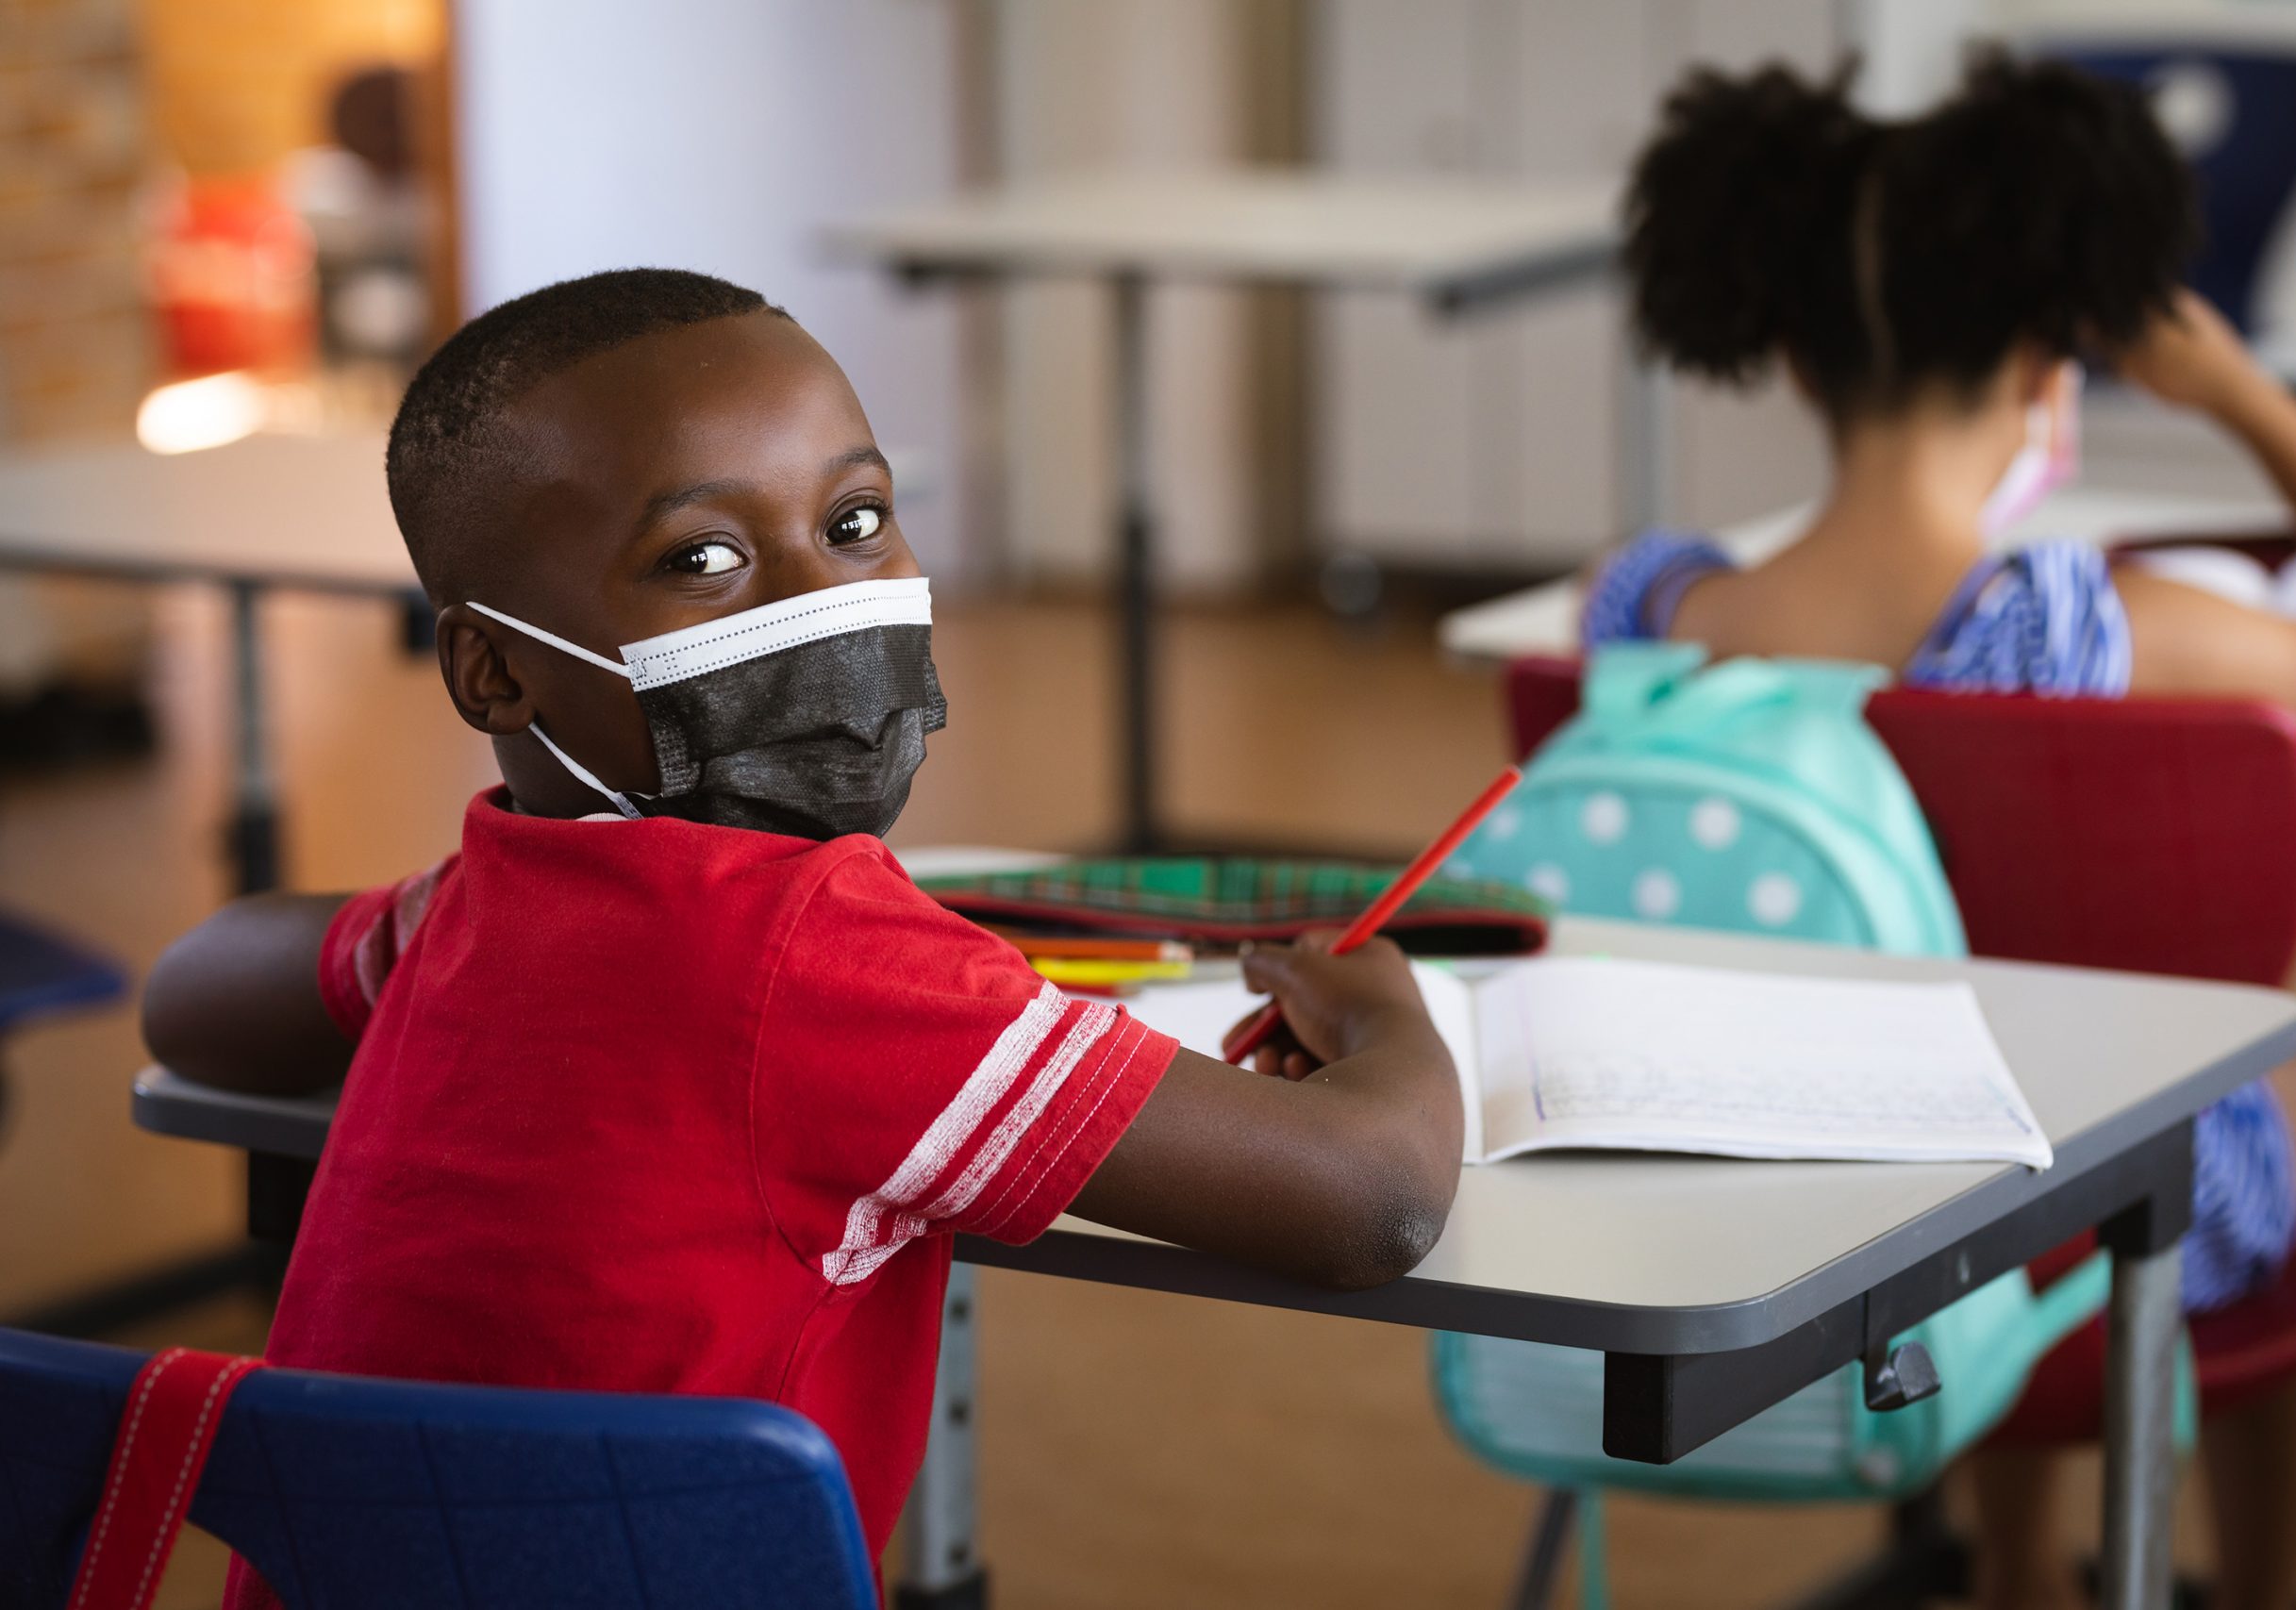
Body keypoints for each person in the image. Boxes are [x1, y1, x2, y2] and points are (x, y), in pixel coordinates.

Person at [140, 269, 1463, 1604]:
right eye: (702, 560)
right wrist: (1381, 1014)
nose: (819, 600)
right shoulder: (815, 954)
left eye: (856, 520)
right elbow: (1372, 1202)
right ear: (493, 669)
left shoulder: (482, 904)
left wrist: (400, 938)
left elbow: (191, 1001)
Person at [1596, 52, 2296, 1610]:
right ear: (2055, 359)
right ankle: (2257, 1590)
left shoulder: (1647, 615)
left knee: (1973, 1040)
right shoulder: (2113, 635)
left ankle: (2017, 1577)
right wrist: (2240, 393)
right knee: (2263, 1097)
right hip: (2077, 1222)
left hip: (1790, 1188)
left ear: (1800, 363)